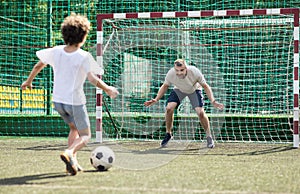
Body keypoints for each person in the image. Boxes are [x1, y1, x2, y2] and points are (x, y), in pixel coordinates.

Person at [21, 13, 119, 175]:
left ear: (64, 34)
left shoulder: (55, 51)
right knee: (86, 135)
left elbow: (38, 66)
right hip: (75, 102)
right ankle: (69, 152)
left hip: (58, 102)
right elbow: (92, 78)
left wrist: (28, 82)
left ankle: (72, 160)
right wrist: (108, 89)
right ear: (84, 36)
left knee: (73, 129)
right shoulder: (83, 56)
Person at [144, 59, 224, 148]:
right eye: (177, 70)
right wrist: (156, 99)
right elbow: (165, 86)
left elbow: (205, 86)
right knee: (169, 108)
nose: (179, 73)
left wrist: (213, 101)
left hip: (194, 90)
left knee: (200, 113)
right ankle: (168, 134)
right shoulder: (171, 74)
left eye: (182, 70)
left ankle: (209, 137)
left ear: (186, 68)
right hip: (179, 90)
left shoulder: (195, 72)